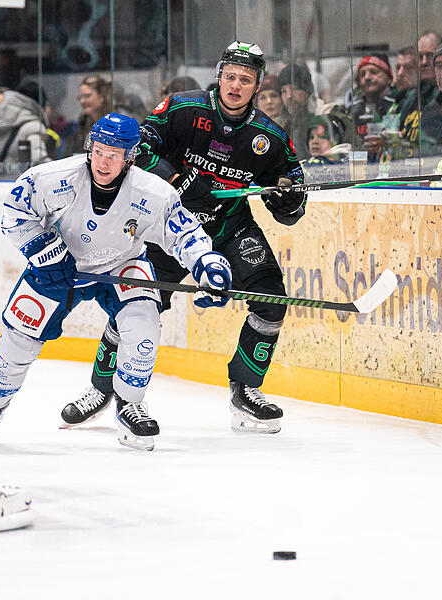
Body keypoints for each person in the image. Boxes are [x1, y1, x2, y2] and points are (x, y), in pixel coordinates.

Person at [60, 41, 307, 435]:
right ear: (219, 76)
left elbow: (291, 203)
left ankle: (246, 389)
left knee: (271, 298)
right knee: (136, 305)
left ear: (257, 86)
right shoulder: (182, 108)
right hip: (169, 226)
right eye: (230, 76)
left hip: (230, 228)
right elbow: (136, 147)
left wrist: (289, 199)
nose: (235, 85)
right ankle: (101, 388)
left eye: (245, 79)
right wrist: (180, 181)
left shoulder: (270, 137)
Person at [0, 113, 231, 451]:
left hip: (121, 264)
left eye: (115, 154)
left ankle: (129, 404)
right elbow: (14, 213)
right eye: (99, 151)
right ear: (90, 148)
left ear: (131, 156)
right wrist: (44, 250)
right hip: (58, 267)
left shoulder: (153, 192)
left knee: (144, 326)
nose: (104, 161)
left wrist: (206, 262)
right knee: (19, 338)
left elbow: (184, 232)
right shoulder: (52, 178)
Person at [350, 54, 395, 162]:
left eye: (374, 72)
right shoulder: (352, 111)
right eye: (362, 74)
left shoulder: (398, 105)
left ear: (389, 77)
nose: (367, 77)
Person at [66, 75, 112, 155]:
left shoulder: (115, 124)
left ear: (101, 97)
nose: (82, 101)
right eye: (80, 97)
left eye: (87, 96)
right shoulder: (81, 124)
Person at [302, 114, 351, 183]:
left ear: (335, 140)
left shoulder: (349, 163)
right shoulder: (304, 165)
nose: (314, 141)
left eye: (322, 136)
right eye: (311, 137)